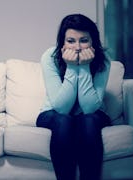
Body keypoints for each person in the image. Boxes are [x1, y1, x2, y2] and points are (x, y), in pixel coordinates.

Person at [36, 14, 111, 180]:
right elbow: (62, 108)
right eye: (71, 41)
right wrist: (71, 67)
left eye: (84, 40)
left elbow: (90, 108)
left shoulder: (103, 61)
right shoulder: (50, 57)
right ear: (62, 42)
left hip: (92, 115)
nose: (77, 47)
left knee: (88, 120)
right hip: (53, 114)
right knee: (65, 120)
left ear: (93, 42)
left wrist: (83, 67)